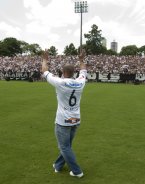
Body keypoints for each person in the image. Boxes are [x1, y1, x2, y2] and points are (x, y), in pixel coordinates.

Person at [41, 49, 87, 178]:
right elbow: (83, 71)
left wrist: (45, 59)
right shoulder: (80, 82)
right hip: (76, 119)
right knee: (67, 146)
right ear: (73, 72)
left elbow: (44, 71)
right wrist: (81, 60)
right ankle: (58, 165)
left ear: (63, 72)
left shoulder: (60, 82)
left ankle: (77, 171)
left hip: (63, 121)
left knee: (65, 147)